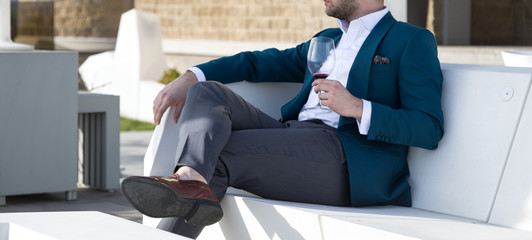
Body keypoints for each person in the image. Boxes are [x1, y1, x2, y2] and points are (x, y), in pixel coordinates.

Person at [121, 0, 444, 238]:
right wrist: (189, 76)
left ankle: (184, 194)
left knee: (218, 156)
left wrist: (358, 108)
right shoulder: (327, 38)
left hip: (347, 160)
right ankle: (190, 179)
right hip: (294, 136)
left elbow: (428, 128)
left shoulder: (410, 40)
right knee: (207, 91)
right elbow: (256, 63)